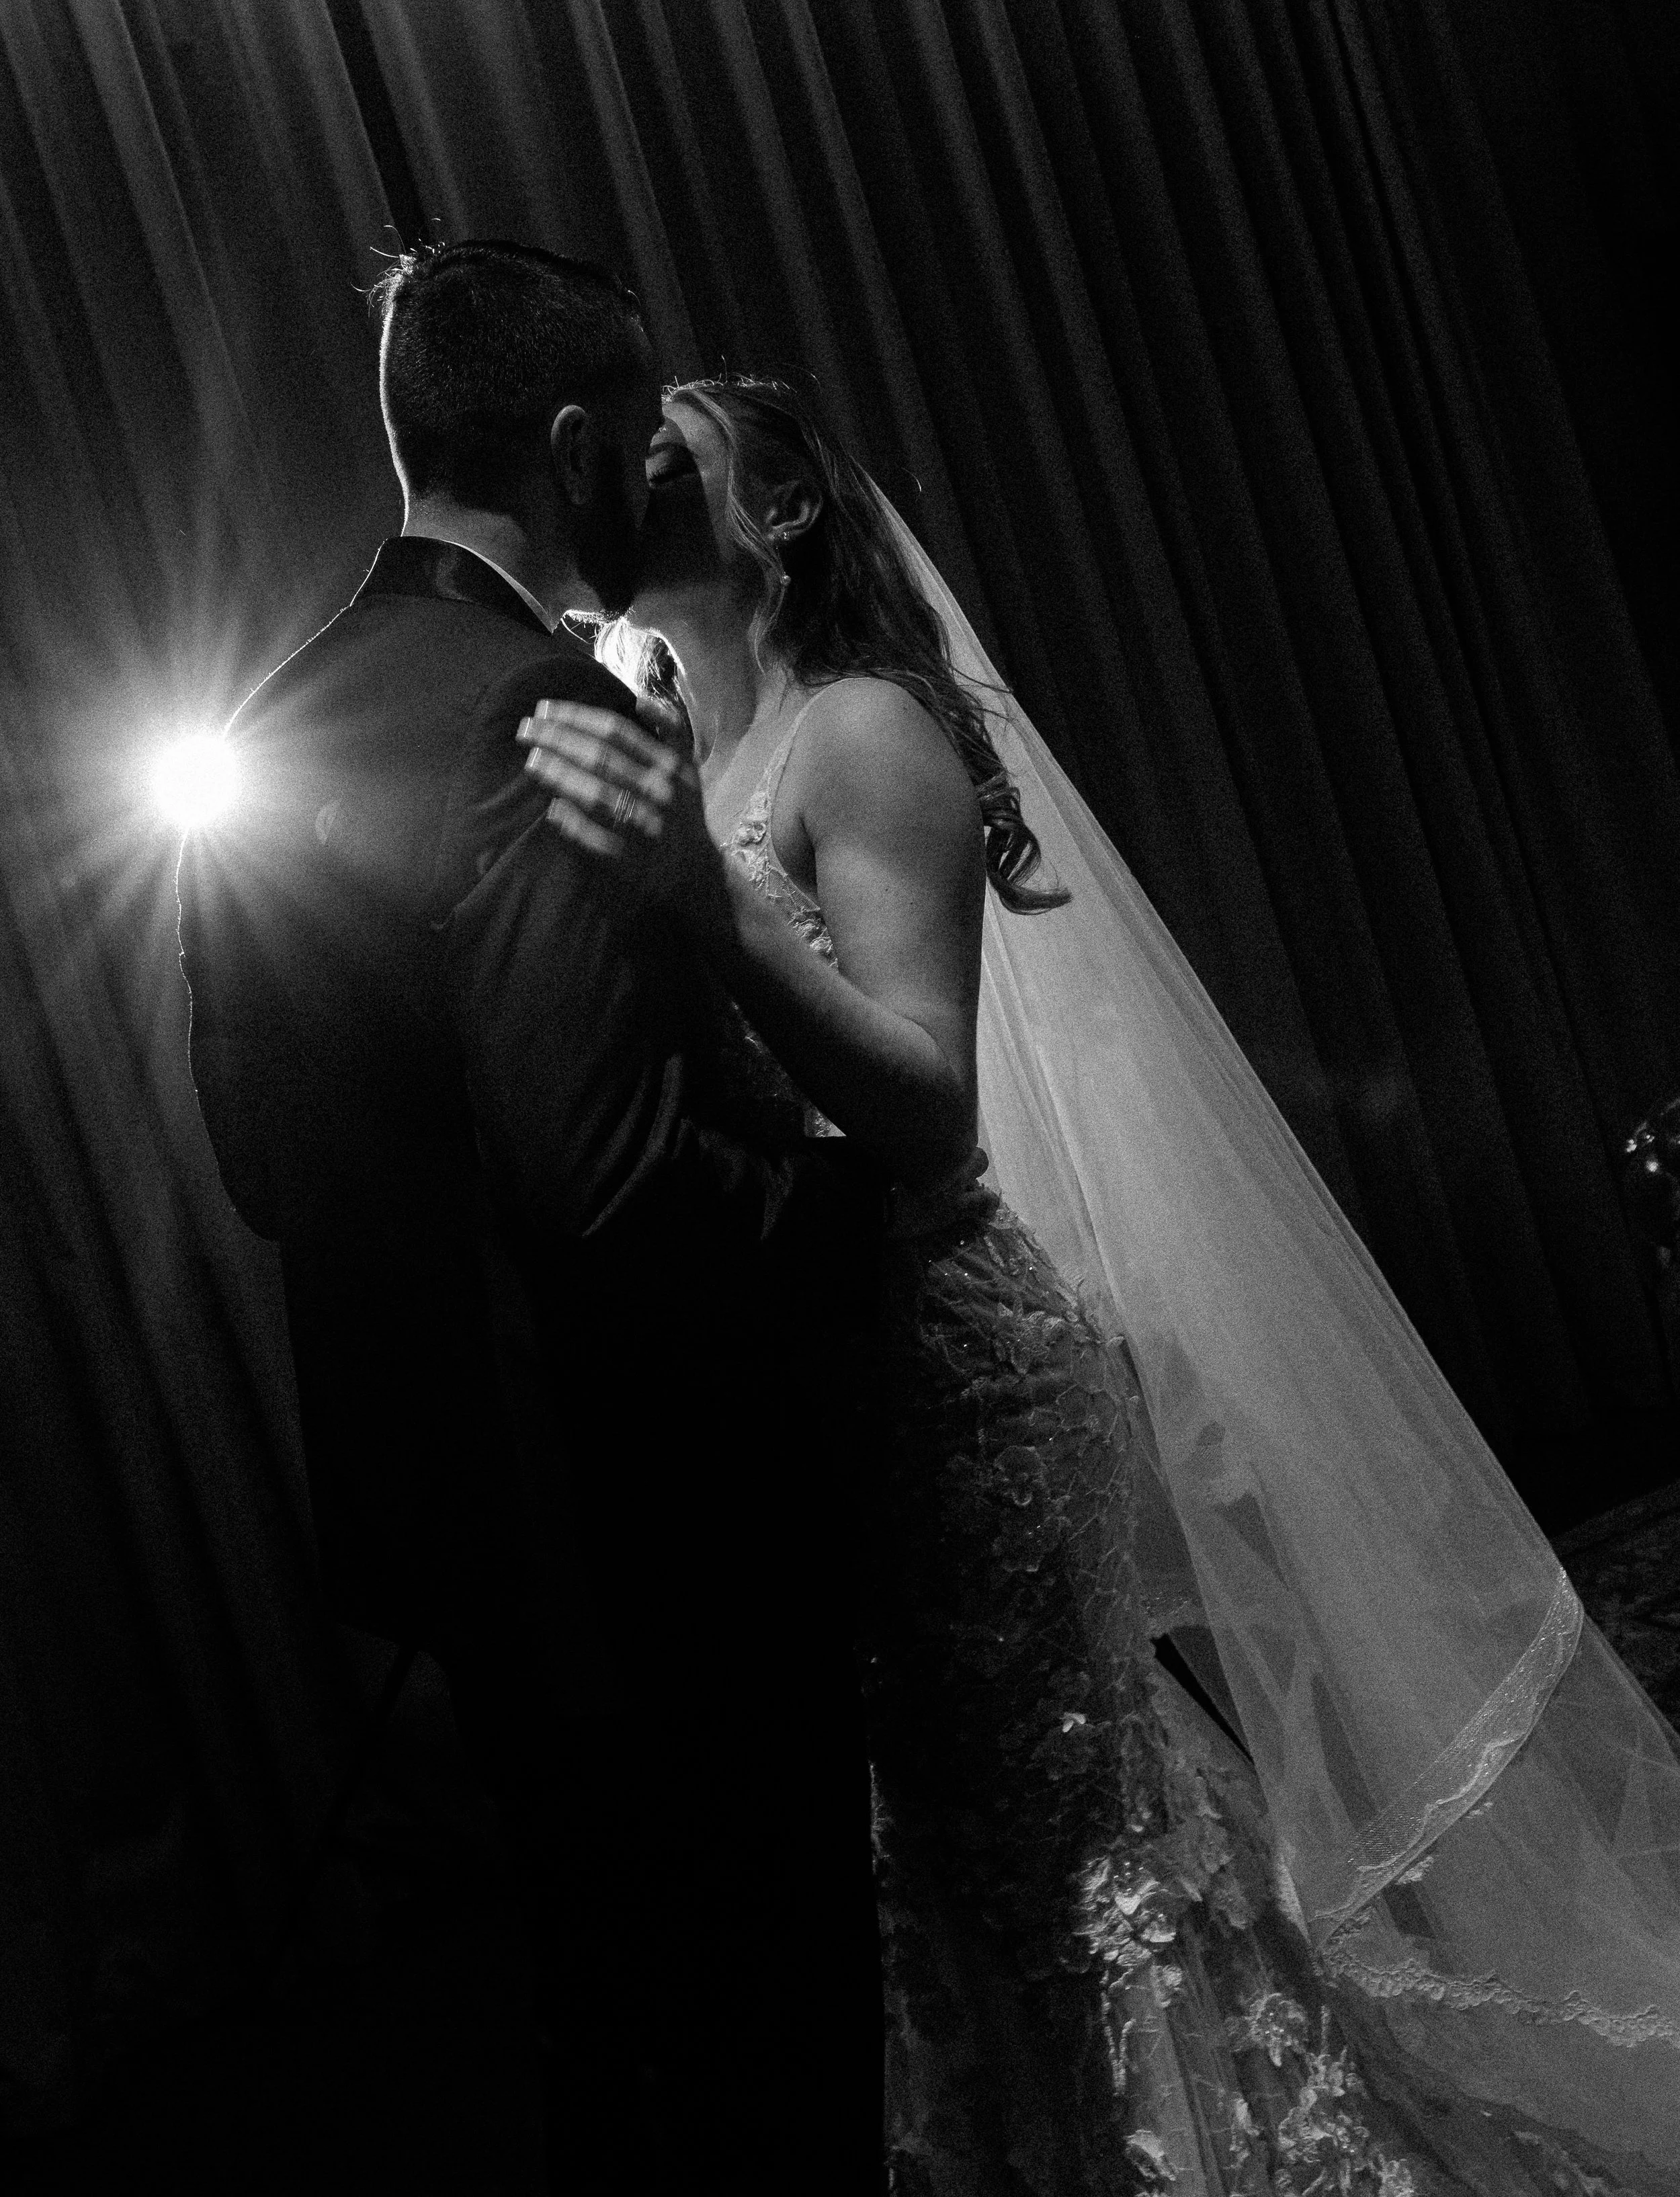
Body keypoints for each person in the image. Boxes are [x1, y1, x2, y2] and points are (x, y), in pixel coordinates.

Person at [519, 374, 1680, 2193]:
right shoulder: (685, 748)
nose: (626, 454)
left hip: (943, 1375)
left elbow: (922, 1096)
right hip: (805, 1396)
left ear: (788, 511)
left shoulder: (856, 734)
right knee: (935, 1883)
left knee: (1057, 1850)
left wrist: (713, 908)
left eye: (675, 440)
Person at [176, 255, 887, 2196]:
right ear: (570, 448)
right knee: (772, 2056)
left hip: (459, 1533)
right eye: (625, 451)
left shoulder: (261, 728)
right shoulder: (535, 706)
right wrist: (843, 1209)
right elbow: (602, 1182)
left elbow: (257, 1155)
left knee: (613, 2039)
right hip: (640, 1531)